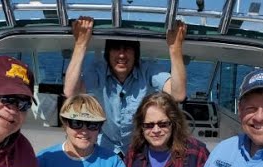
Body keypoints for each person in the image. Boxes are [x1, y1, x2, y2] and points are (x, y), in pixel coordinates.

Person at [64, 16, 187, 156]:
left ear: (136, 54)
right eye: (116, 48)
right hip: (105, 144)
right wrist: (80, 44)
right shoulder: (98, 70)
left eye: (128, 48)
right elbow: (70, 92)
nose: (122, 55)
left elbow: (178, 94)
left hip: (141, 147)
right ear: (108, 53)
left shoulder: (147, 70)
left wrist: (175, 48)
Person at [125, 92, 209, 167]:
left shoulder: (197, 153)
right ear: (141, 127)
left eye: (163, 124)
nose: (156, 130)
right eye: (149, 125)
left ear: (174, 123)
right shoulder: (133, 154)